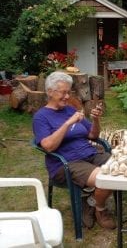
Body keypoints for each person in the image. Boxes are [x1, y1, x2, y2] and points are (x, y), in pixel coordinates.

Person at [32, 71, 116, 230]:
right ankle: (100, 210)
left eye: (68, 92)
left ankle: (90, 200)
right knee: (107, 177)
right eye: (63, 92)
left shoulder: (70, 110)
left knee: (120, 167)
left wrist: (96, 120)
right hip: (65, 163)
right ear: (50, 92)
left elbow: (92, 135)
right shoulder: (41, 117)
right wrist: (67, 124)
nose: (66, 96)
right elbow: (48, 146)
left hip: (89, 154)